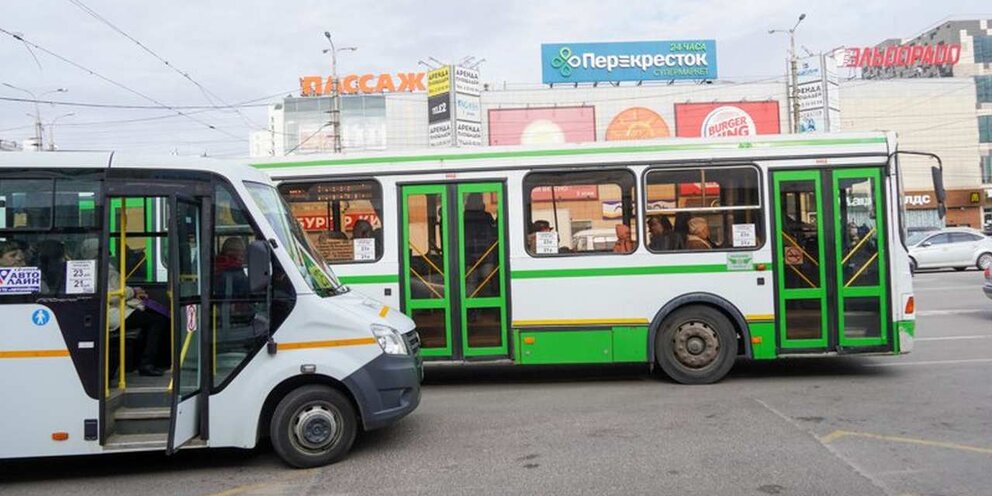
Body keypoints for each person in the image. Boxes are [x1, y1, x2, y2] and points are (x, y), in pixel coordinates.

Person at [82, 238, 170, 377]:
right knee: (157, 320)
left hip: (116, 309)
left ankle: (146, 362)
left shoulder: (93, 269)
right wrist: (133, 292)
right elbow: (112, 295)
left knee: (155, 317)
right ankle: (146, 363)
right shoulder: (100, 270)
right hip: (113, 313)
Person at [463, 193, 498, 295]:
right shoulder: (487, 217)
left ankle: (471, 308)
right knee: (486, 284)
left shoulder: (462, 217)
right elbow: (494, 233)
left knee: (471, 284)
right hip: (486, 256)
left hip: (468, 257)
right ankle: (485, 309)